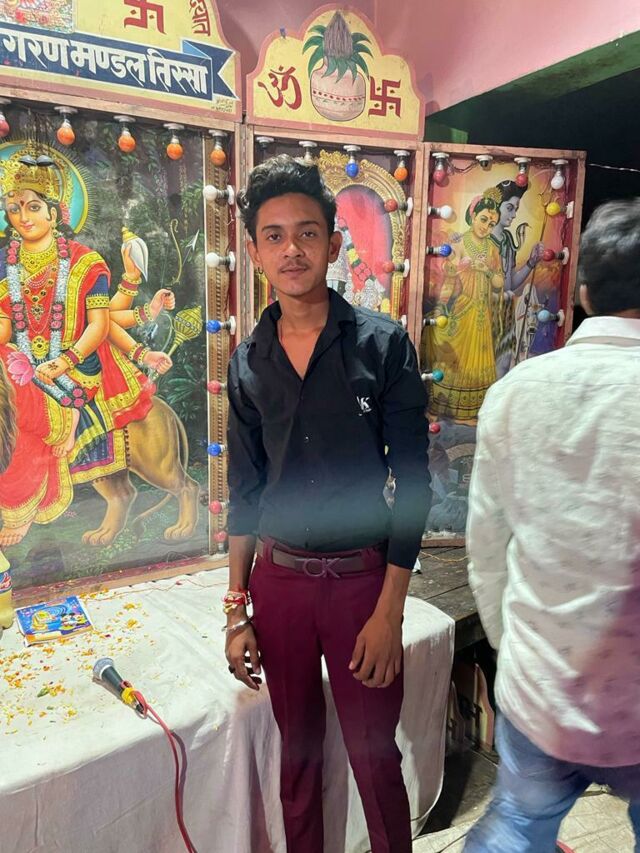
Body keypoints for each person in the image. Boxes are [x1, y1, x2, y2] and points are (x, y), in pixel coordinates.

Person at [224, 155, 431, 853]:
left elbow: (414, 483)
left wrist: (389, 611)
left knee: (376, 760)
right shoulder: (248, 361)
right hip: (279, 586)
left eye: (307, 233)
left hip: (361, 586)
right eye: (274, 236)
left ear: (333, 243)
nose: (292, 249)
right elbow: (245, 493)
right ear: (255, 251)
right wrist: (236, 609)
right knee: (299, 759)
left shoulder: (383, 345)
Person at [463, 198, 640, 852]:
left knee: (515, 827)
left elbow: (487, 553)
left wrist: (515, 653)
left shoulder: (513, 394)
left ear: (583, 290)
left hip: (539, 694)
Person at [0, 149, 169, 545]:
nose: (23, 217)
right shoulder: (5, 263)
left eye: (33, 207)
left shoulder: (84, 261)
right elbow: (7, 320)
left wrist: (64, 361)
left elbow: (100, 324)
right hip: (21, 359)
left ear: (55, 213)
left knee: (28, 410)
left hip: (74, 365)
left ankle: (23, 502)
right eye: (13, 209)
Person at [427, 188, 505, 421]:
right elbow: (449, 278)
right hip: (462, 307)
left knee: (478, 362)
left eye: (491, 224)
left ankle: (473, 413)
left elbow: (499, 282)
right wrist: (442, 305)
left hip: (482, 314)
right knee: (452, 356)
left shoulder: (493, 249)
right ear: (473, 215)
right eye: (484, 219)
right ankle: (442, 409)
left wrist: (487, 270)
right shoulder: (459, 243)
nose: (486, 227)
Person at [490, 179, 544, 377]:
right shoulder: (481, 240)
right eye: (509, 208)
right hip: (485, 312)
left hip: (505, 310)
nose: (513, 215)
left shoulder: (508, 240)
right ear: (496, 206)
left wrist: (531, 262)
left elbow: (510, 282)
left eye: (516, 210)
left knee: (504, 364)